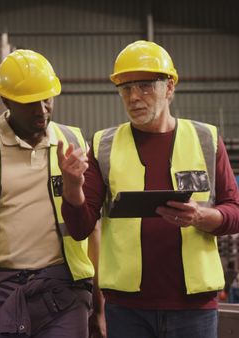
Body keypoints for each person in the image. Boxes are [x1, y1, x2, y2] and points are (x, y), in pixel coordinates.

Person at [59, 40, 239, 338]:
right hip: (128, 308)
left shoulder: (206, 139)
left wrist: (201, 218)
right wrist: (72, 187)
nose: (133, 97)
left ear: (169, 88)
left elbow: (234, 210)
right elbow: (80, 228)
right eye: (126, 89)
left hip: (193, 307)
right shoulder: (104, 145)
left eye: (144, 86)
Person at [0, 49, 103, 338]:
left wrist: (100, 305)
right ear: (5, 100)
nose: (42, 110)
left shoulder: (74, 142)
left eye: (47, 99)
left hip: (64, 290)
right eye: (31, 103)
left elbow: (92, 228)